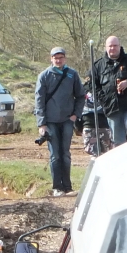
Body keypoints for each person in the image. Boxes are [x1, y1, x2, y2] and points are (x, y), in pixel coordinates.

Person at [34, 47, 86, 196]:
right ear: (51, 59)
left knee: (65, 154)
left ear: (65, 58)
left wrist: (76, 115)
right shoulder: (44, 76)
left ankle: (68, 187)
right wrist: (42, 123)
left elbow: (81, 96)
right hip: (50, 122)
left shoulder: (72, 74)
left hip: (67, 121)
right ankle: (57, 187)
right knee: (55, 155)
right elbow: (39, 101)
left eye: (61, 57)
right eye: (55, 58)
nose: (58, 60)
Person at [90, 36, 127, 145]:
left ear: (120, 46)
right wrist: (103, 98)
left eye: (115, 45)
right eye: (110, 46)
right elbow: (91, 85)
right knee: (117, 138)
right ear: (106, 47)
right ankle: (121, 156)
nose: (112, 48)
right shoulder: (98, 65)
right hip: (111, 107)